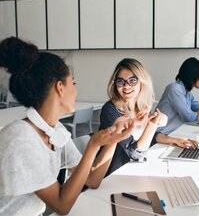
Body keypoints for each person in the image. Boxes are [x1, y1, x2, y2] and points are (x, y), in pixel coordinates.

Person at [0, 37, 133, 215]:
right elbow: (62, 205)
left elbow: (92, 179)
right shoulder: (20, 139)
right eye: (74, 83)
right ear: (60, 87)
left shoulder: (55, 130)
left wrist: (113, 139)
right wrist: (93, 145)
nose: (76, 90)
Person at [99, 58, 167, 176]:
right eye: (121, 81)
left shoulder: (141, 107)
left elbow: (146, 137)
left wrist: (174, 140)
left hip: (134, 170)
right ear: (115, 84)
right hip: (113, 174)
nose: (126, 86)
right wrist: (152, 125)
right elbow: (134, 152)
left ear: (142, 82)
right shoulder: (110, 110)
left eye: (132, 80)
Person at [154, 57, 199, 148]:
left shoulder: (187, 94)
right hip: (161, 137)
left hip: (174, 135)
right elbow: (187, 116)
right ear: (193, 75)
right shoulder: (174, 88)